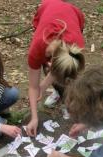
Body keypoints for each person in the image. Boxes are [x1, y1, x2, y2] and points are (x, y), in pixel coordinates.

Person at [26, 0, 85, 137]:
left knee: (69, 79)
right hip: (48, 7)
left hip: (72, 14)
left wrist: (44, 84)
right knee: (48, 77)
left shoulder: (76, 49)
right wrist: (34, 117)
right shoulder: (36, 50)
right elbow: (33, 87)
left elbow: (63, 69)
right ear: (50, 63)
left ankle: (62, 94)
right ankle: (59, 91)